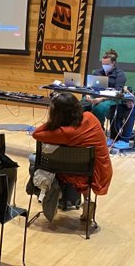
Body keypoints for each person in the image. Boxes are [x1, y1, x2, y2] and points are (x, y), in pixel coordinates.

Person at [32, 92, 112, 222]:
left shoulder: (64, 133)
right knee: (77, 160)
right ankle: (86, 201)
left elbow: (36, 134)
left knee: (35, 159)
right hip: (98, 170)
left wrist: (52, 122)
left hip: (78, 172)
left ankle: (52, 192)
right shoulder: (90, 117)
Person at [85, 49, 126, 125]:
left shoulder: (120, 74)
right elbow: (89, 87)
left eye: (107, 64)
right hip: (95, 95)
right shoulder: (97, 72)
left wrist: (101, 99)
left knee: (98, 109)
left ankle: (98, 130)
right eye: (103, 64)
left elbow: (118, 92)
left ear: (113, 63)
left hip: (111, 98)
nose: (104, 66)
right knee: (80, 106)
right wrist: (88, 95)